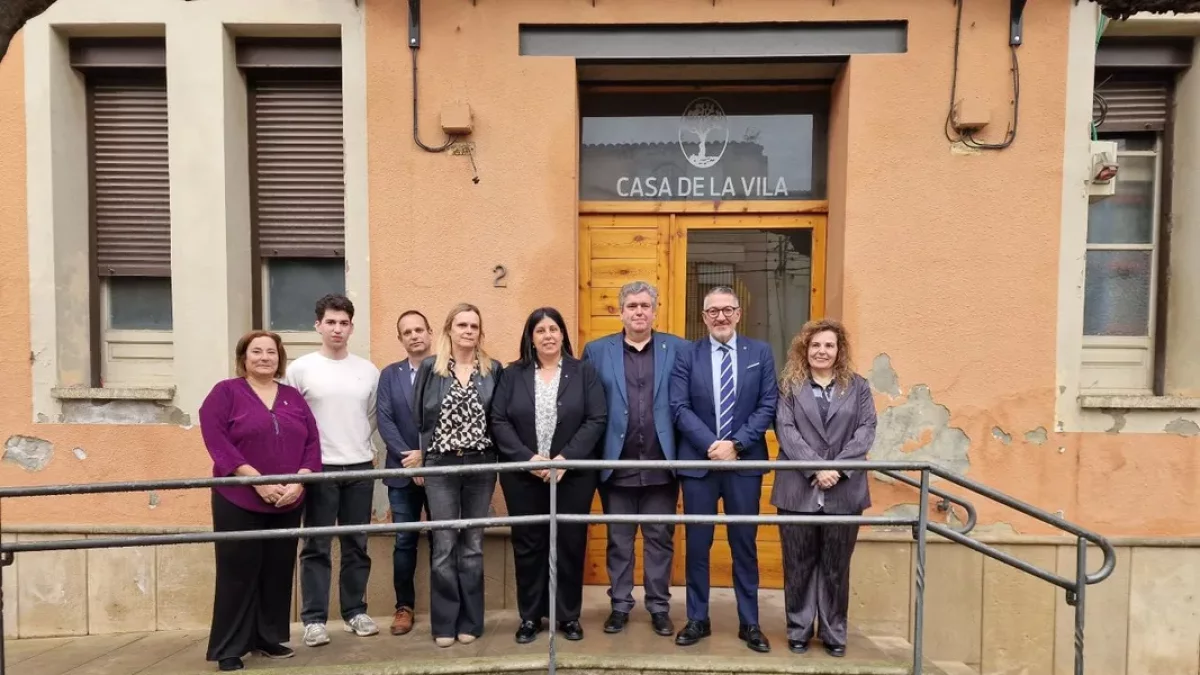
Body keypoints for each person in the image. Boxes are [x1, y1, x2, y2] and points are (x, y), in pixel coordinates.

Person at [198, 330, 322, 672]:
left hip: (288, 498)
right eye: (257, 351)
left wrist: (300, 481)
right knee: (237, 571)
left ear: (279, 359)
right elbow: (216, 439)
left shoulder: (293, 397)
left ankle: (268, 637)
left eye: (271, 352)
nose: (265, 357)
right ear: (244, 358)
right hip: (238, 497)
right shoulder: (225, 393)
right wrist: (256, 481)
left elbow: (312, 443)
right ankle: (230, 647)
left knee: (278, 571)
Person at [669, 286, 778, 653]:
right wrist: (711, 446)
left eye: (727, 310)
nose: (720, 317)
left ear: (738, 313)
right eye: (713, 311)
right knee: (697, 545)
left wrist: (737, 445)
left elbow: (767, 404)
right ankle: (697, 618)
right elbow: (679, 406)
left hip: (743, 465)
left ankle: (750, 622)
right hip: (700, 465)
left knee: (744, 545)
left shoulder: (760, 353)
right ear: (703, 317)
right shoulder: (687, 354)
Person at [492, 307, 607, 644]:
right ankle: (531, 617)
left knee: (570, 544)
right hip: (524, 475)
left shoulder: (583, 372)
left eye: (554, 329)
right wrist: (529, 459)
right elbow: (499, 420)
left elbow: (596, 419)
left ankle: (568, 616)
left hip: (571, 475)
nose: (548, 336)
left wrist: (564, 458)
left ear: (563, 335)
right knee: (528, 545)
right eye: (540, 330)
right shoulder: (513, 375)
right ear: (531, 337)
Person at [581, 281, 684, 638]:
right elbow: (588, 406)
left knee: (660, 539)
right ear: (620, 311)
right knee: (619, 540)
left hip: (661, 465)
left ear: (655, 311)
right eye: (632, 306)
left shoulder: (678, 349)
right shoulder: (596, 351)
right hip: (616, 464)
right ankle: (620, 606)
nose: (639, 312)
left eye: (645, 306)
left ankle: (658, 607)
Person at [772, 319, 877, 658]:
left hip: (844, 490)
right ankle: (799, 629)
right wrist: (817, 466)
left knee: (836, 566)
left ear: (839, 350)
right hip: (797, 488)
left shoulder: (858, 387)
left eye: (829, 345)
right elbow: (786, 431)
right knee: (798, 563)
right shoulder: (789, 386)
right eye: (816, 345)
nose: (822, 351)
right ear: (805, 349)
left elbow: (866, 430)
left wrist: (836, 469)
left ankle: (834, 632)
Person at [285, 294, 381, 647]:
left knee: (357, 544)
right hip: (318, 468)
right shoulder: (300, 369)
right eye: (331, 322)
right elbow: (293, 420)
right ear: (318, 325)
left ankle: (355, 611)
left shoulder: (367, 370)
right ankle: (313, 620)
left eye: (343, 323)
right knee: (316, 545)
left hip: (358, 466)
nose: (337, 329)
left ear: (351, 327)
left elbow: (370, 417)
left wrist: (360, 449)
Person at [411, 302, 503, 647]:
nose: (468, 331)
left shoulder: (493, 370)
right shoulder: (431, 371)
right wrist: (421, 458)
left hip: (480, 465)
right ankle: (445, 623)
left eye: (474, 326)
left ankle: (471, 621)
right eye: (461, 324)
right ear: (449, 329)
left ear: (480, 333)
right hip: (441, 465)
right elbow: (418, 416)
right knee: (445, 545)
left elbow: (499, 418)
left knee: (473, 545)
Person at [376, 309, 434, 636]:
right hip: (401, 474)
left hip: (440, 471)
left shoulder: (445, 370)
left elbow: (449, 419)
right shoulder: (389, 375)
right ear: (400, 339)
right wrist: (410, 460)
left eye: (419, 329)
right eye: (407, 332)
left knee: (444, 540)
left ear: (429, 332)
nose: (414, 336)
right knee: (404, 541)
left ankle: (444, 606)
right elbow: (385, 420)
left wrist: (427, 457)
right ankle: (404, 607)